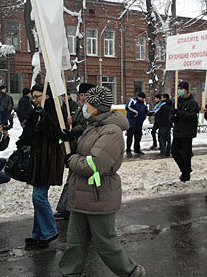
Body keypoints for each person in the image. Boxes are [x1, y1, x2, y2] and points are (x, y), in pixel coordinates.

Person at [59, 86, 145, 277]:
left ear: (97, 107)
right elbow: (83, 151)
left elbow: (94, 164)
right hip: (81, 192)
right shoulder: (94, 125)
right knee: (74, 242)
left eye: (87, 103)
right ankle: (70, 273)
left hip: (99, 193)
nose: (84, 106)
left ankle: (131, 272)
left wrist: (70, 159)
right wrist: (69, 142)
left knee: (105, 243)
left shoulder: (112, 131)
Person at [19, 84, 65, 247]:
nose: (34, 100)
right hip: (37, 159)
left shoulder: (56, 111)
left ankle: (49, 231)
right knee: (37, 196)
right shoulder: (34, 112)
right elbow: (28, 135)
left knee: (39, 196)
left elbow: (57, 134)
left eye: (37, 96)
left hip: (49, 158)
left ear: (46, 96)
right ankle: (38, 233)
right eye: (32, 97)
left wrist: (44, 117)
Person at [55, 82, 96, 220]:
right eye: (81, 95)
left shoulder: (93, 109)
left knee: (74, 179)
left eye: (85, 95)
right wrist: (70, 121)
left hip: (86, 150)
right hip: (78, 148)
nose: (83, 98)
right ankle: (67, 208)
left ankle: (67, 208)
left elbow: (89, 126)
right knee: (73, 179)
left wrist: (74, 131)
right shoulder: (81, 108)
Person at [171, 81, 199, 182]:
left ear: (186, 90)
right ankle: (185, 169)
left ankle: (186, 175)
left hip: (187, 132)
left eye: (181, 89)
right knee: (174, 151)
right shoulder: (176, 102)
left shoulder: (192, 103)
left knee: (186, 154)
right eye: (178, 89)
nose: (179, 91)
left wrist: (179, 113)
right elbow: (172, 114)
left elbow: (192, 117)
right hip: (178, 131)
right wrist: (173, 117)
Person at [125, 92, 148, 157]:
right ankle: (128, 150)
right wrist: (136, 112)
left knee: (138, 137)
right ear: (138, 96)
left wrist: (145, 114)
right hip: (131, 122)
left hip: (139, 122)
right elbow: (127, 107)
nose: (142, 99)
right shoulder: (132, 100)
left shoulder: (144, 102)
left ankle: (137, 149)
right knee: (130, 137)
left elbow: (145, 109)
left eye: (143, 98)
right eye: (141, 98)